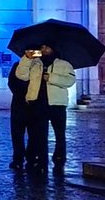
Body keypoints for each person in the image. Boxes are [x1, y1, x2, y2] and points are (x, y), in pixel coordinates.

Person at [16, 43, 76, 175]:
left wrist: (52, 78)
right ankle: (40, 160)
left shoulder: (63, 64)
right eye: (42, 48)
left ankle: (59, 158)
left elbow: (70, 81)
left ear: (53, 49)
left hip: (57, 104)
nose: (44, 50)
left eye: (47, 47)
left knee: (59, 134)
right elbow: (21, 75)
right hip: (37, 103)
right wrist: (26, 58)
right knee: (39, 135)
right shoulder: (35, 63)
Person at [7, 60, 30, 170]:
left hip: (33, 104)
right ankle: (18, 158)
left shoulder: (39, 65)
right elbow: (11, 82)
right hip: (18, 103)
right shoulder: (17, 65)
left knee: (34, 134)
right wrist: (21, 93)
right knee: (17, 134)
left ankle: (31, 157)